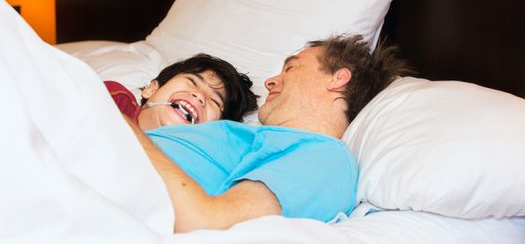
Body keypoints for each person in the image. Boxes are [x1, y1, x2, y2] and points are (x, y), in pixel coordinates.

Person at [127, 34, 411, 233]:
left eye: (291, 68)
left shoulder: (324, 156)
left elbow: (209, 222)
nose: (271, 81)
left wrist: (120, 126)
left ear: (338, 78)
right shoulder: (248, 137)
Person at [105, 54, 259, 130]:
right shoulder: (116, 100)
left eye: (215, 102)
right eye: (192, 82)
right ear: (151, 89)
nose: (200, 96)